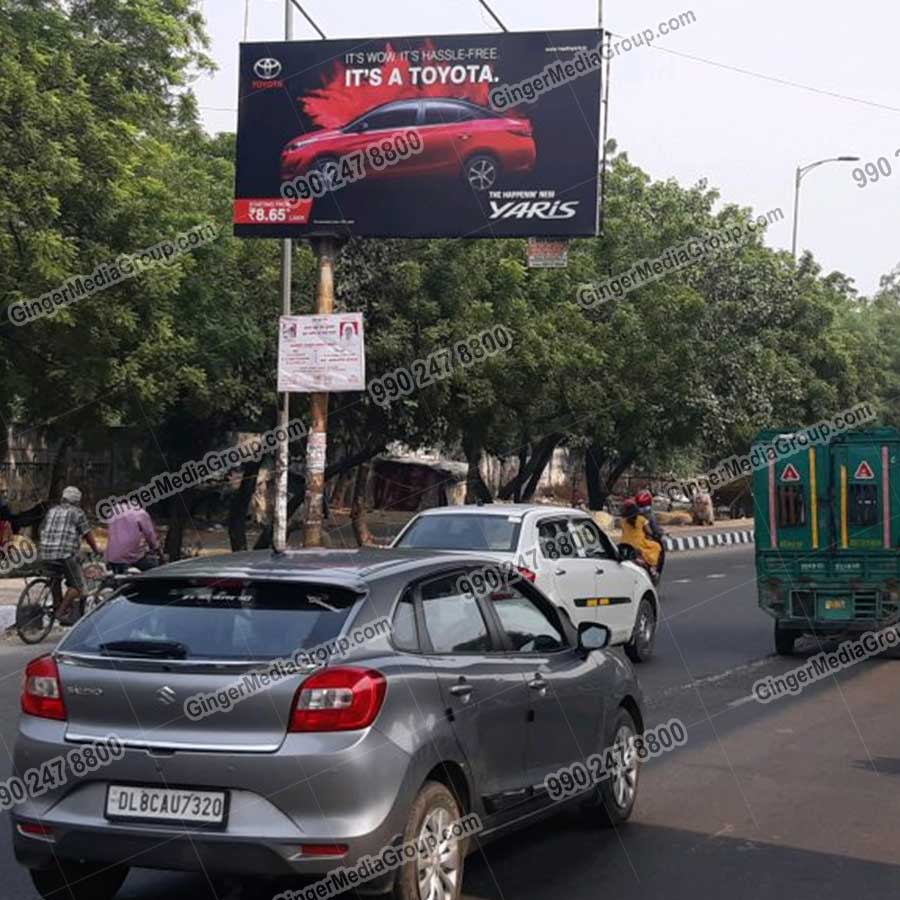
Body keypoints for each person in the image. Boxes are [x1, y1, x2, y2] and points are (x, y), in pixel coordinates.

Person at [39, 486, 100, 625]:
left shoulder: (52, 511)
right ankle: (60, 613)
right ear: (77, 501)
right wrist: (96, 549)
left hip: (46, 552)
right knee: (78, 587)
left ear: (63, 498)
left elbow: (43, 528)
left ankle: (56, 606)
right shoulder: (78, 513)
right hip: (64, 554)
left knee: (55, 578)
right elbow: (87, 534)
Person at [105, 506, 163, 574]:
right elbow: (150, 535)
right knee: (155, 567)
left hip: (112, 557)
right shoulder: (140, 513)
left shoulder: (113, 511)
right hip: (132, 557)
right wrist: (158, 552)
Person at [619, 498, 661, 579]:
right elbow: (649, 532)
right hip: (639, 544)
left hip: (624, 544)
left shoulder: (623, 521)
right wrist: (653, 535)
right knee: (656, 547)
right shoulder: (642, 519)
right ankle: (653, 569)